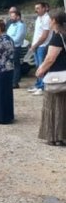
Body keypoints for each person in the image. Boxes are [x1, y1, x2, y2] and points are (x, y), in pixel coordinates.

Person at [35, 10, 66, 145]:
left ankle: (55, 136)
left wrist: (40, 70)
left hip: (56, 75)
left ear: (54, 21)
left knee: (54, 107)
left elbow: (50, 58)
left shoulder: (57, 37)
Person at [29, 2, 51, 96]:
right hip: (37, 45)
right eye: (35, 8)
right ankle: (38, 85)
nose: (36, 10)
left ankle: (42, 87)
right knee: (38, 66)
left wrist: (35, 45)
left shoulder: (47, 19)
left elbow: (44, 36)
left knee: (42, 67)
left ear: (44, 8)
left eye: (38, 8)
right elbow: (37, 33)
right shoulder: (39, 18)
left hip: (42, 46)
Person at [7, 10, 26, 88]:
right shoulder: (11, 25)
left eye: (13, 16)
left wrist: (8, 40)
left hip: (16, 47)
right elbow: (7, 34)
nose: (11, 18)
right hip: (9, 47)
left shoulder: (21, 25)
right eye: (10, 16)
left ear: (18, 17)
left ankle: (15, 82)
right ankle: (11, 81)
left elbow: (18, 38)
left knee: (16, 65)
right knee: (10, 65)